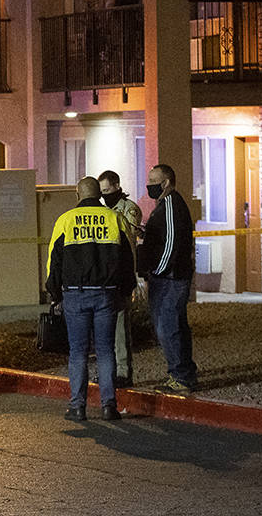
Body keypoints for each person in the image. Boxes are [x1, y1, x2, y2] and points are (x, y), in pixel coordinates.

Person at [45, 177, 136, 422]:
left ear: (78, 194)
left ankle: (78, 407)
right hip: (106, 293)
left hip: (75, 294)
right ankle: (109, 406)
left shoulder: (65, 220)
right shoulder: (114, 219)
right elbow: (128, 260)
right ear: (99, 195)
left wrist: (54, 294)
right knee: (106, 350)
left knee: (78, 352)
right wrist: (127, 291)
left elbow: (54, 261)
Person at [138, 163, 198, 393]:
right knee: (174, 325)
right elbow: (164, 236)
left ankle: (180, 377)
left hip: (171, 278)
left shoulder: (171, 205)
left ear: (167, 182)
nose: (150, 186)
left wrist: (156, 271)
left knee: (168, 327)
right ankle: (183, 371)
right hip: (168, 276)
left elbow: (171, 244)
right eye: (149, 181)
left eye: (154, 182)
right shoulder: (163, 205)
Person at [98, 170, 143, 386]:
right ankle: (109, 371)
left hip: (122, 274)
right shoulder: (104, 210)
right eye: (101, 192)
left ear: (117, 186)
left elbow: (128, 241)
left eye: (107, 190)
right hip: (105, 277)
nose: (104, 195)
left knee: (120, 329)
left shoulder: (129, 209)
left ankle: (123, 373)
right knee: (106, 330)